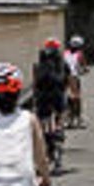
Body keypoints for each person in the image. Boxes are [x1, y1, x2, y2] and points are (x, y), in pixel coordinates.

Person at [32, 37, 69, 170]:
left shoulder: (38, 65)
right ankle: (59, 128)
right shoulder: (62, 64)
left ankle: (45, 145)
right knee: (63, 112)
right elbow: (67, 80)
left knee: (42, 123)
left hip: (42, 98)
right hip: (57, 96)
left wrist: (36, 98)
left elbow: (35, 83)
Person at [64, 35, 86, 129]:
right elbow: (83, 66)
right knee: (77, 97)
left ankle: (67, 117)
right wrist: (84, 70)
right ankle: (78, 118)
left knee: (66, 97)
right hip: (73, 77)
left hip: (64, 77)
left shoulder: (64, 53)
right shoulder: (80, 54)